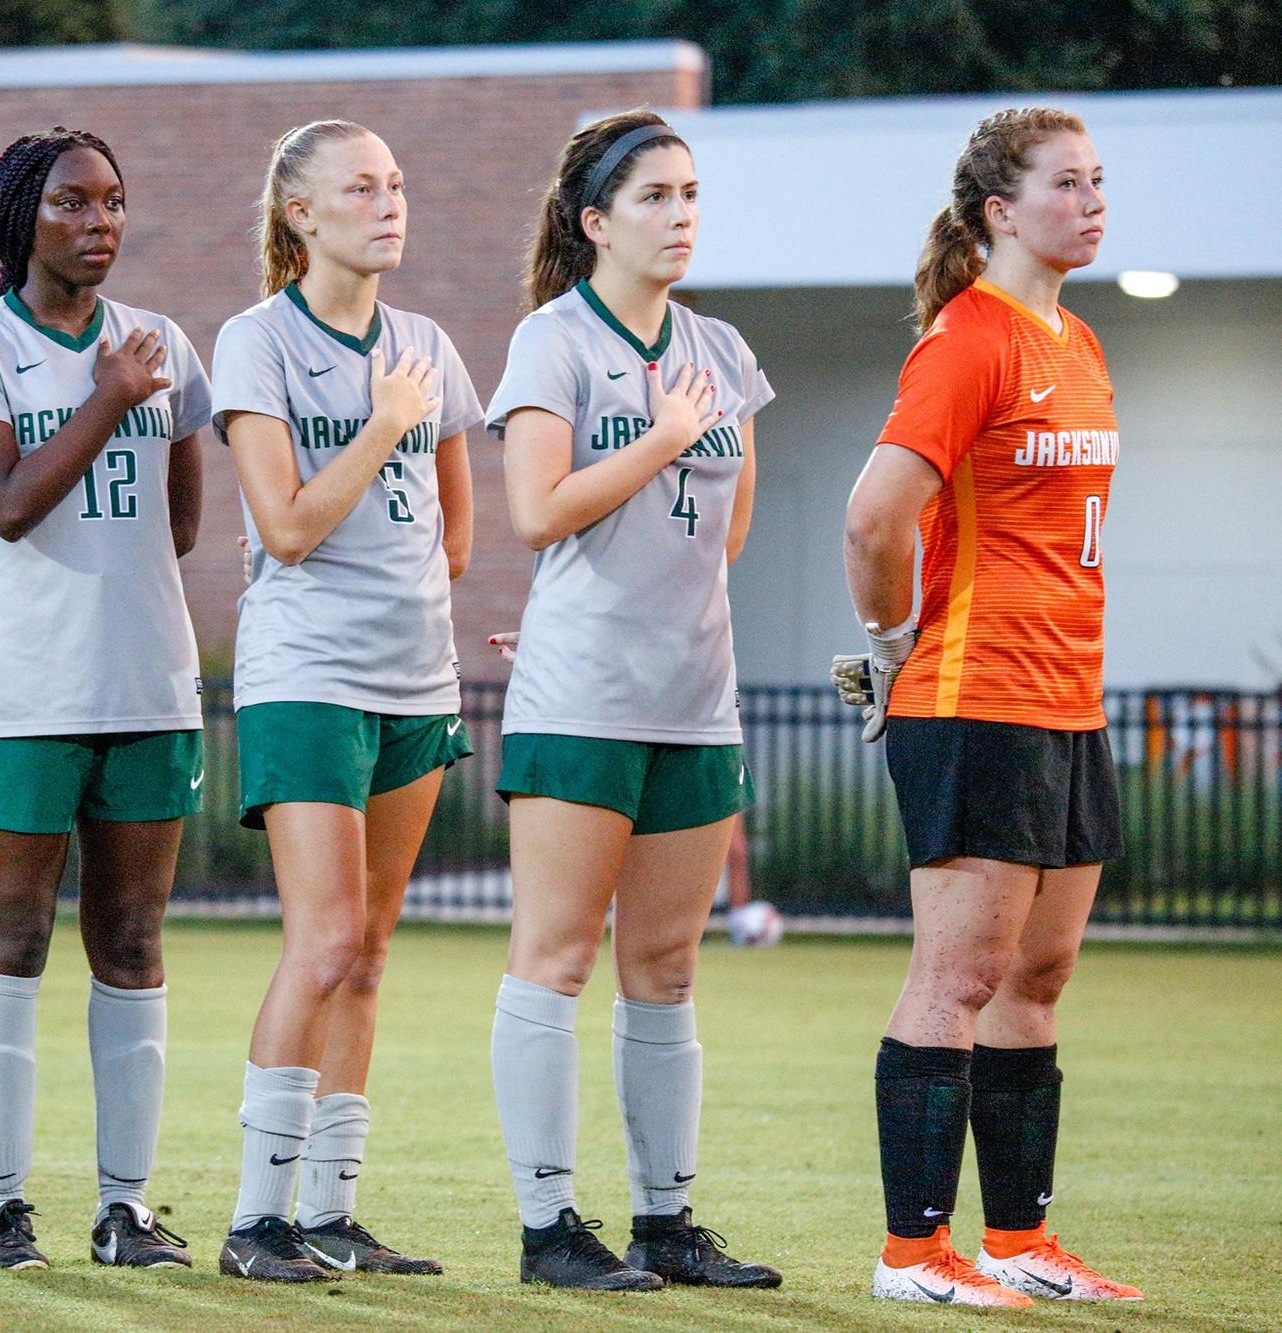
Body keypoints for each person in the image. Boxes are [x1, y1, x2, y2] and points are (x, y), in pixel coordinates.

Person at [836, 107, 1142, 1307]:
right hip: (975, 695)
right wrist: (883, 641)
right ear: (997, 212)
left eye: (1098, 180)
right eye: (1065, 183)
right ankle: (911, 1252)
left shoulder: (1077, 338)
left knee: (1039, 974)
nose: (1091, 200)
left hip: (1069, 696)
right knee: (956, 976)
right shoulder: (968, 341)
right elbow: (872, 515)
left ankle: (1016, 1241)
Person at [484, 110, 782, 1293]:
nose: (679, 217)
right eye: (654, 197)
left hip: (693, 699)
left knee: (663, 967)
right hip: (579, 697)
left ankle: (665, 1221)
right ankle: (548, 1226)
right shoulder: (550, 342)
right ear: (594, 222)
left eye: (691, 195)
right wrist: (661, 438)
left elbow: (732, 531)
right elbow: (535, 510)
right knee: (555, 956)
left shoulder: (721, 349)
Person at [0, 127, 208, 1272]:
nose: (100, 222)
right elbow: (3, 504)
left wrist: (129, 396)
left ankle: (124, 1209)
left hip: (145, 681)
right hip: (22, 690)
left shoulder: (164, 343)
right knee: (14, 935)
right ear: (18, 222)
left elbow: (176, 527)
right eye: (72, 203)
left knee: (132, 940)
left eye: (115, 202)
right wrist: (105, 401)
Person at [210, 119, 478, 1283]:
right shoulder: (255, 340)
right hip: (304, 676)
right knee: (319, 941)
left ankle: (329, 1210)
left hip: (413, 677)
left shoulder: (425, 343)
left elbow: (455, 533)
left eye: (397, 182)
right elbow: (285, 526)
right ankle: (254, 1219)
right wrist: (378, 425)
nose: (388, 203)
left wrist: (404, 544)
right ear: (298, 214)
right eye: (359, 187)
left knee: (367, 951)